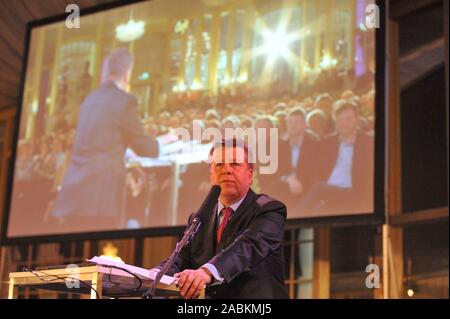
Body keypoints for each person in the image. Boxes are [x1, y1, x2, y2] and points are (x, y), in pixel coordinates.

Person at [153, 138, 289, 299]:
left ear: (250, 175)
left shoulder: (269, 210)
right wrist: (154, 275)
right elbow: (181, 257)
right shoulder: (199, 218)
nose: (226, 170)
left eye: (235, 164)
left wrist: (206, 272)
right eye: (219, 165)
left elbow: (247, 247)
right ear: (211, 174)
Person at [52, 48, 159, 231]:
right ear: (127, 73)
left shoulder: (89, 100)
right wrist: (160, 145)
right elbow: (142, 146)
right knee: (103, 256)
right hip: (100, 197)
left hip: (74, 193)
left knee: (80, 257)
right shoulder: (124, 101)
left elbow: (98, 142)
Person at [297, 99, 374, 216]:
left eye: (348, 119)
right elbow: (316, 171)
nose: (344, 124)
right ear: (335, 123)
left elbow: (370, 178)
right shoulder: (328, 142)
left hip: (353, 192)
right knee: (317, 208)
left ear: (357, 120)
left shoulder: (368, 142)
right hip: (329, 192)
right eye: (340, 120)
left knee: (319, 189)